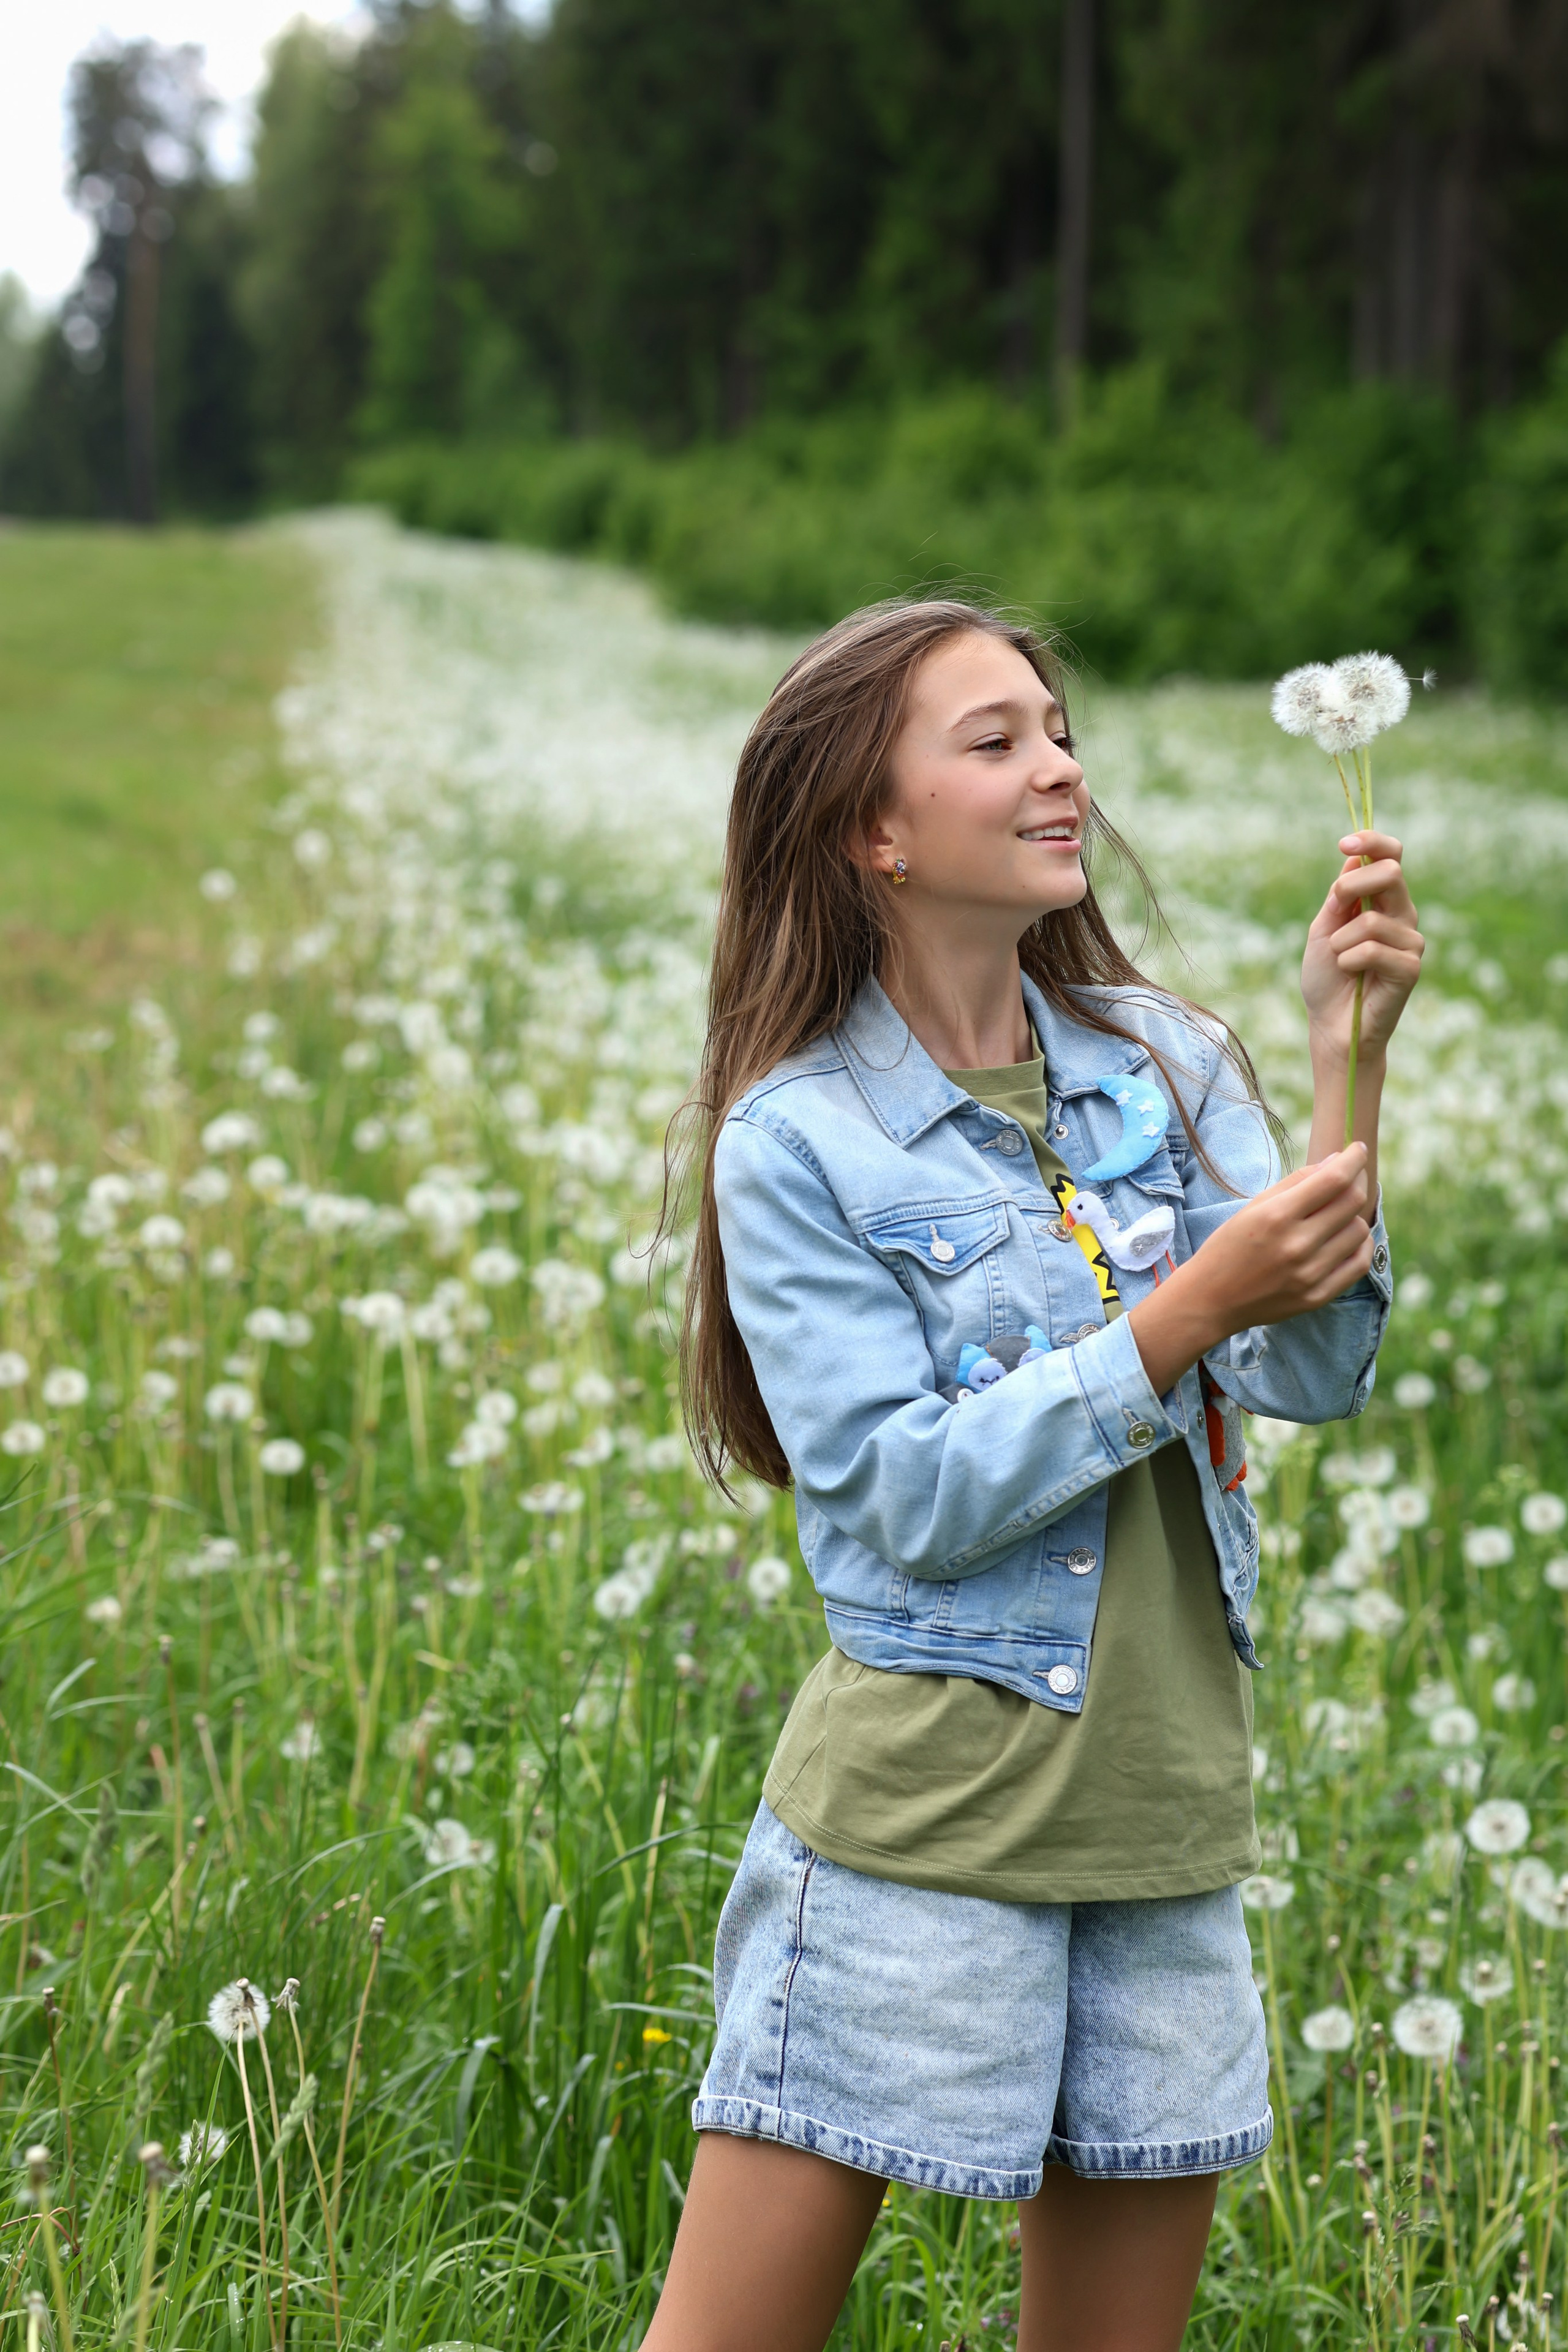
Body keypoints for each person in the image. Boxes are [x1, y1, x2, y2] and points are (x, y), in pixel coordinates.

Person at [644, 600, 1423, 2352]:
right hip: (921, 1831)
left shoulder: (1172, 1058)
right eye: (995, 741)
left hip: (1161, 1824)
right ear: (877, 829)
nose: (1060, 766)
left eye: (1059, 729)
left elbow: (1313, 1365)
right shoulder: (801, 1141)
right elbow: (905, 1498)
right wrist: (1176, 1320)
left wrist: (1346, 1063)